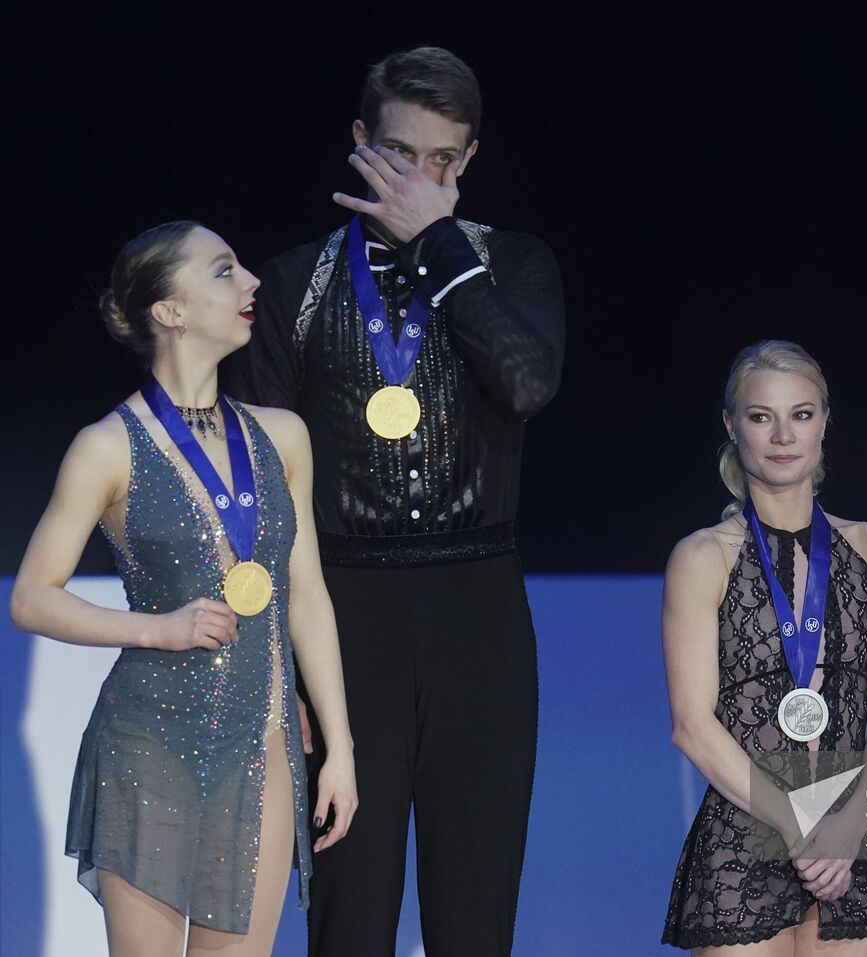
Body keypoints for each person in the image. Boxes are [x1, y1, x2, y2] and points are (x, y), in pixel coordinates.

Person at [221, 47, 564, 955]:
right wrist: (275, 672)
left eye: (442, 161)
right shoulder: (291, 282)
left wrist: (439, 242)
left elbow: (527, 383)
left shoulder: (511, 262)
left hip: (479, 617)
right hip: (343, 621)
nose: (419, 180)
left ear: (470, 159)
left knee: (475, 919)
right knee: (348, 915)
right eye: (400, 155)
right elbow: (258, 500)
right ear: (359, 141)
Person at [9, 221, 357, 956]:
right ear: (168, 310)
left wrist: (342, 747)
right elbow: (32, 596)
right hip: (149, 745)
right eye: (223, 270)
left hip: (264, 744)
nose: (252, 282)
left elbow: (307, 598)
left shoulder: (282, 435)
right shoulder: (107, 446)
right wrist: (157, 627)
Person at [662, 340, 867, 954]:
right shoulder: (702, 557)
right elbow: (692, 725)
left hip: (850, 839)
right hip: (746, 833)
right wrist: (802, 826)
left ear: (824, 422)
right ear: (732, 425)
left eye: (801, 414)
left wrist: (851, 826)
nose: (782, 436)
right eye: (761, 416)